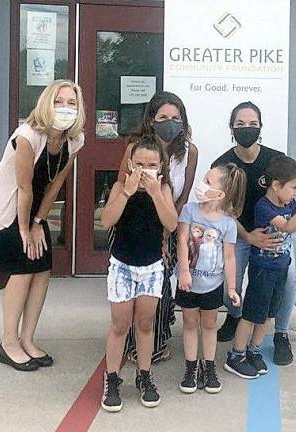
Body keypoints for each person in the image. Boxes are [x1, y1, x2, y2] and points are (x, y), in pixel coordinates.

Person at [0, 79, 85, 371]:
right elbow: (24, 187)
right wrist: (25, 228)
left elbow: (56, 182)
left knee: (42, 269)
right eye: (59, 101)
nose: (65, 108)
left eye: (71, 103)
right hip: (7, 206)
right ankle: (8, 343)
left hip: (34, 209)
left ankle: (28, 339)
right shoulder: (27, 136)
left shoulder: (75, 140)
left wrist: (38, 221)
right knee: (23, 269)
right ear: (47, 103)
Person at [224, 156, 296, 378]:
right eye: (294, 188)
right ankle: (236, 356)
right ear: (276, 185)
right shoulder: (264, 207)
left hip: (281, 267)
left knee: (270, 314)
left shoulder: (289, 203)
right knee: (252, 315)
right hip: (263, 270)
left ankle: (254, 350)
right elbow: (289, 227)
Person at [212, 101, 296, 366]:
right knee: (231, 285)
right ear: (231, 128)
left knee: (289, 280)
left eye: (252, 124)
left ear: (260, 127)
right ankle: (235, 315)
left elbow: (293, 187)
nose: (246, 129)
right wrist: (248, 236)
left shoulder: (276, 159)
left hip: (274, 235)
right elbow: (223, 208)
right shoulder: (223, 164)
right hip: (239, 234)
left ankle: (281, 334)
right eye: (240, 124)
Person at [117, 91, 198, 363]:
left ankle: (158, 339)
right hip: (134, 225)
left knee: (161, 283)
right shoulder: (135, 148)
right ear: (151, 120)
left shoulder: (189, 152)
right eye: (163, 117)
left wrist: (166, 235)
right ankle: (130, 341)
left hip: (167, 221)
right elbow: (120, 186)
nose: (170, 123)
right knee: (132, 287)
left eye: (176, 118)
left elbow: (184, 195)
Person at [100, 137, 177, 412]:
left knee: (145, 324)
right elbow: (107, 220)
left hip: (151, 267)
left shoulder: (163, 188)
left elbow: (171, 223)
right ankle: (112, 378)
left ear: (161, 167)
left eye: (152, 165)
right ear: (131, 164)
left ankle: (145, 376)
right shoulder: (121, 186)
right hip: (122, 265)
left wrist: (156, 193)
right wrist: (126, 192)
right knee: (120, 325)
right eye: (140, 164)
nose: (145, 169)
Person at [175, 163, 245, 394]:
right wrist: (184, 271)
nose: (201, 185)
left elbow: (229, 257)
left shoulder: (228, 222)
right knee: (189, 324)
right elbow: (182, 242)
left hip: (212, 285)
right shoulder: (189, 210)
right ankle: (190, 367)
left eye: (208, 182)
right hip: (188, 282)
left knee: (209, 325)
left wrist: (232, 288)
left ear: (221, 193)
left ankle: (209, 366)